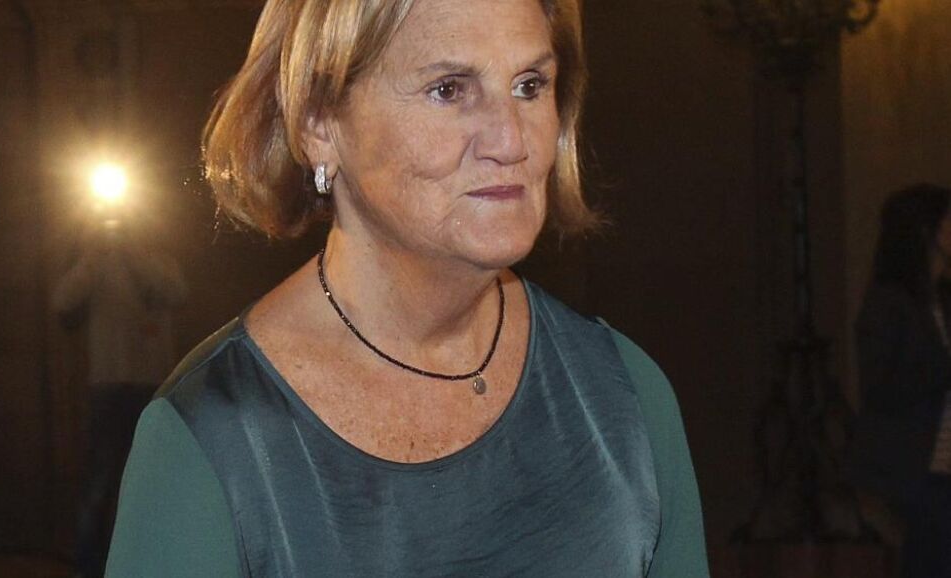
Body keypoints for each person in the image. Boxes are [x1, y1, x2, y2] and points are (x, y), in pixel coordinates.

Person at [106, 0, 709, 576]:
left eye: (529, 85)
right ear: (319, 124)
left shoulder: (622, 397)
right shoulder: (213, 438)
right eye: (448, 90)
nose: (512, 141)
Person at [54, 216, 187, 578]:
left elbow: (176, 292)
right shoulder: (96, 262)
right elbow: (63, 300)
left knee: (154, 476)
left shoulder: (158, 261)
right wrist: (93, 255)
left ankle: (155, 561)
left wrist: (132, 252)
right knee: (100, 478)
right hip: (109, 384)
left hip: (153, 386)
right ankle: (89, 566)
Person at [851, 184, 951, 578]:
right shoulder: (888, 304)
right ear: (928, 231)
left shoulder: (941, 300)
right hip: (917, 470)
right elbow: (879, 387)